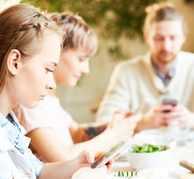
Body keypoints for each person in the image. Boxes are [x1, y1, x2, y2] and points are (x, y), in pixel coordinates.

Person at [0, 4, 112, 179]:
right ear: (14, 62)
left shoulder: (7, 121)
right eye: (47, 69)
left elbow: (34, 173)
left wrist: (77, 165)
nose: (51, 83)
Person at [14, 12, 141, 162]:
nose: (86, 69)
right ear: (57, 50)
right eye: (81, 59)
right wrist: (113, 134)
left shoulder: (50, 99)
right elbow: (62, 158)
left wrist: (118, 125)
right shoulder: (32, 102)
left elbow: (77, 133)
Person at [96, 2, 194, 133]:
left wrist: (192, 119)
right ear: (146, 36)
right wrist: (143, 122)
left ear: (183, 36)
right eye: (159, 38)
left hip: (193, 155)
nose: (166, 46)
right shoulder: (126, 72)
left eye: (173, 38)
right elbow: (103, 125)